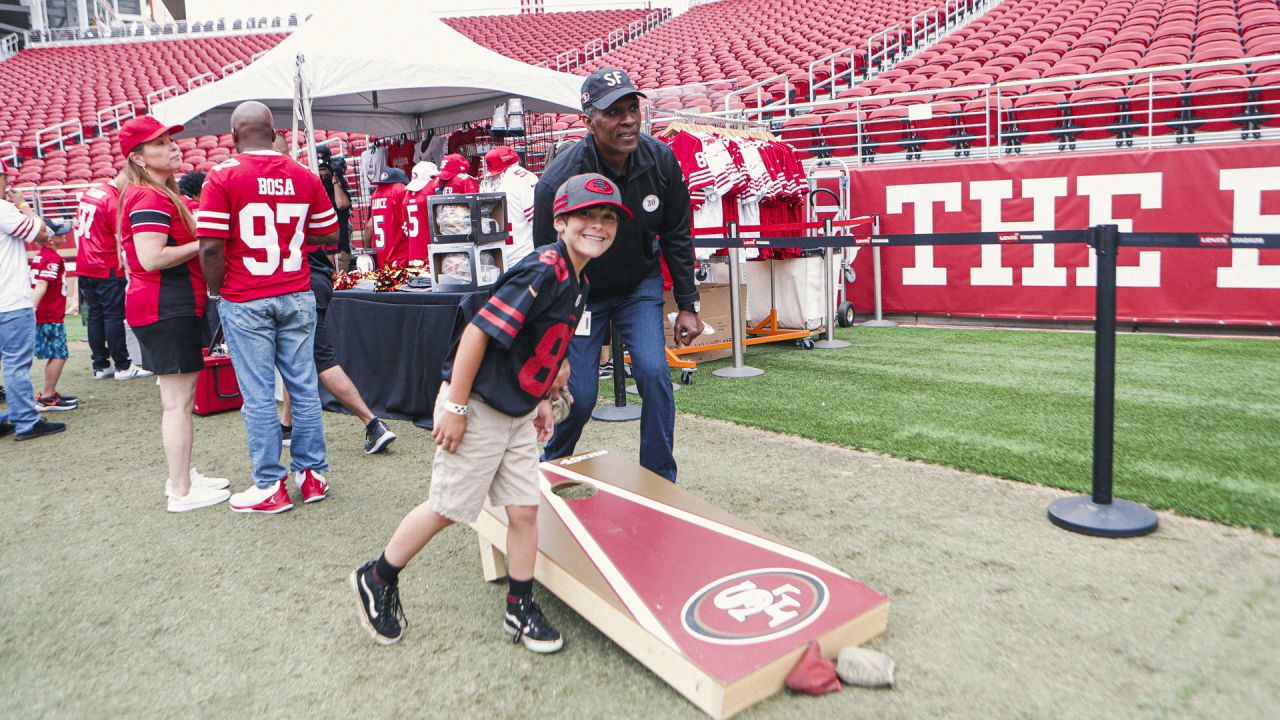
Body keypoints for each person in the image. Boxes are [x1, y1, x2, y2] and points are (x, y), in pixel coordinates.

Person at [349, 172, 625, 649]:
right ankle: (378, 576)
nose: (597, 225)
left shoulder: (579, 279)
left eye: (607, 217)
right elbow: (477, 332)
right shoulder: (544, 269)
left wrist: (540, 399)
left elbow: (542, 347)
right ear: (559, 221)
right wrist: (454, 404)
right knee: (448, 508)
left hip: (516, 410)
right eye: (585, 215)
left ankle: (519, 607)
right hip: (479, 404)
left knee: (524, 509)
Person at [534, 68, 703, 483]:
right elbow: (548, 263)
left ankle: (659, 481)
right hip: (581, 295)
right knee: (583, 394)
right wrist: (549, 346)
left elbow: (677, 232)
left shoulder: (660, 158)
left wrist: (687, 304)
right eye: (614, 112)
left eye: (633, 108)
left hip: (637, 285)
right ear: (588, 120)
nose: (628, 119)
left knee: (653, 373)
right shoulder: (558, 180)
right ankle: (552, 468)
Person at [198, 101, 339, 514]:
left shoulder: (222, 174)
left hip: (246, 295)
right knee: (303, 385)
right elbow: (328, 232)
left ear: (234, 134)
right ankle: (312, 476)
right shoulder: (302, 174)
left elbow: (210, 246)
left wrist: (215, 290)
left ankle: (269, 484)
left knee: (258, 394)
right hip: (295, 290)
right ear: (273, 129)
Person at [117, 116, 230, 511]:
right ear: (139, 158)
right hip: (167, 305)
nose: (174, 147)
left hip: (170, 304)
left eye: (170, 140)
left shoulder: (158, 193)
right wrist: (204, 242)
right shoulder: (149, 197)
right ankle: (181, 490)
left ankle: (180, 477)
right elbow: (151, 258)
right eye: (161, 143)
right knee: (177, 404)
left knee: (178, 401)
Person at [273, 142, 397, 455]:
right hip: (315, 276)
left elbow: (335, 224)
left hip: (302, 283)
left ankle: (372, 423)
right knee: (293, 355)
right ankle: (286, 426)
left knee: (320, 358)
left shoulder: (284, 188)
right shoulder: (303, 183)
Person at [0, 159, 65, 441]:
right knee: (15, 365)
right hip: (10, 300)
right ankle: (27, 421)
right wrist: (24, 205)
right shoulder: (3, 208)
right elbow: (43, 233)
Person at [74, 171, 148, 380]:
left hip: (85, 264)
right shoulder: (113, 200)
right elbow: (122, 237)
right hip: (105, 264)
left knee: (95, 316)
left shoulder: (92, 192)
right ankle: (123, 366)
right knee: (113, 316)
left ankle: (100, 364)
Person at [29, 229, 78, 411]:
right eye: (58, 232)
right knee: (59, 355)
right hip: (48, 314)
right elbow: (42, 283)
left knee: (57, 354)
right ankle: (48, 396)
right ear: (50, 239)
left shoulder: (42, 255)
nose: (63, 234)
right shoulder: (52, 258)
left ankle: (50, 393)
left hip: (46, 313)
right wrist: (32, 310)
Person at [479, 145, 538, 266]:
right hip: (524, 258)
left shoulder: (485, 184)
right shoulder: (524, 177)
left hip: (495, 260)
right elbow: (538, 221)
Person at [315, 144, 353, 272]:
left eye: (325, 170)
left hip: (339, 244)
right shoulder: (314, 182)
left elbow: (342, 204)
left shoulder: (337, 181)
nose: (323, 175)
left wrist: (335, 178)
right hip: (321, 245)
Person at [365, 168, 409, 268]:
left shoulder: (376, 193)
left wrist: (367, 250)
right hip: (401, 259)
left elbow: (369, 226)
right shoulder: (399, 189)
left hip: (381, 259)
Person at [402, 160, 438, 262]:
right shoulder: (431, 189)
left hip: (414, 252)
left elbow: (405, 227)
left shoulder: (407, 194)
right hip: (431, 253)